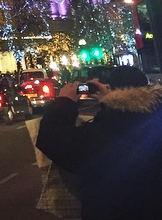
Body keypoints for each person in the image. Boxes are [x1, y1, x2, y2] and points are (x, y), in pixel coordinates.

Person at [36, 65, 162, 220]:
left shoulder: (99, 135)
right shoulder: (154, 126)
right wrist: (111, 103)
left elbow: (52, 138)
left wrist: (64, 102)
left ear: (111, 90)